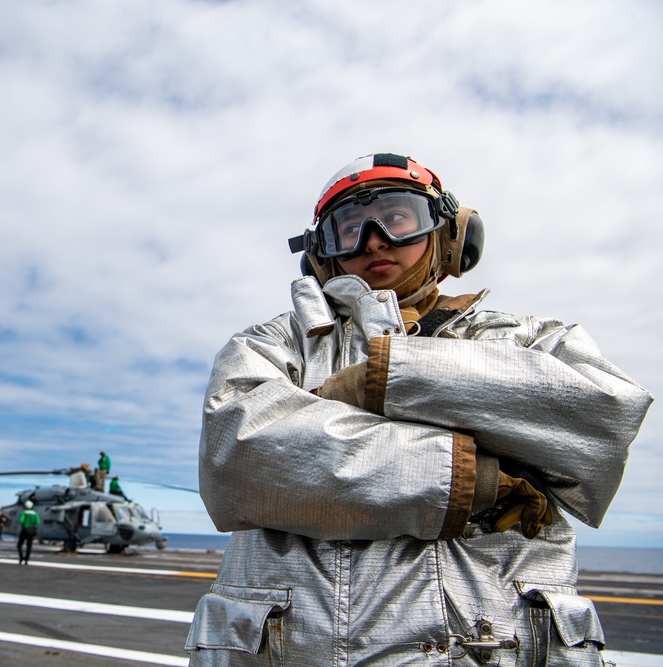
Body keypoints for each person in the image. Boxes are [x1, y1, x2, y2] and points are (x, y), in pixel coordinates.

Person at [184, 153, 653, 666]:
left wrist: (386, 379)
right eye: (349, 229)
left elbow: (602, 418)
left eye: (398, 217)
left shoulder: (527, 338)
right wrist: (476, 478)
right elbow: (239, 455)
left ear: (450, 235)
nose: (375, 240)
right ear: (323, 254)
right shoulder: (273, 345)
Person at [17, 500, 41, 565]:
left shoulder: (24, 512)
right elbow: (38, 522)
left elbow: (21, 520)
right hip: (31, 530)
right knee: (29, 546)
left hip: (24, 530)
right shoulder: (34, 513)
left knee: (19, 545)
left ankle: (21, 557)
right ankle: (27, 560)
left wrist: (25, 523)